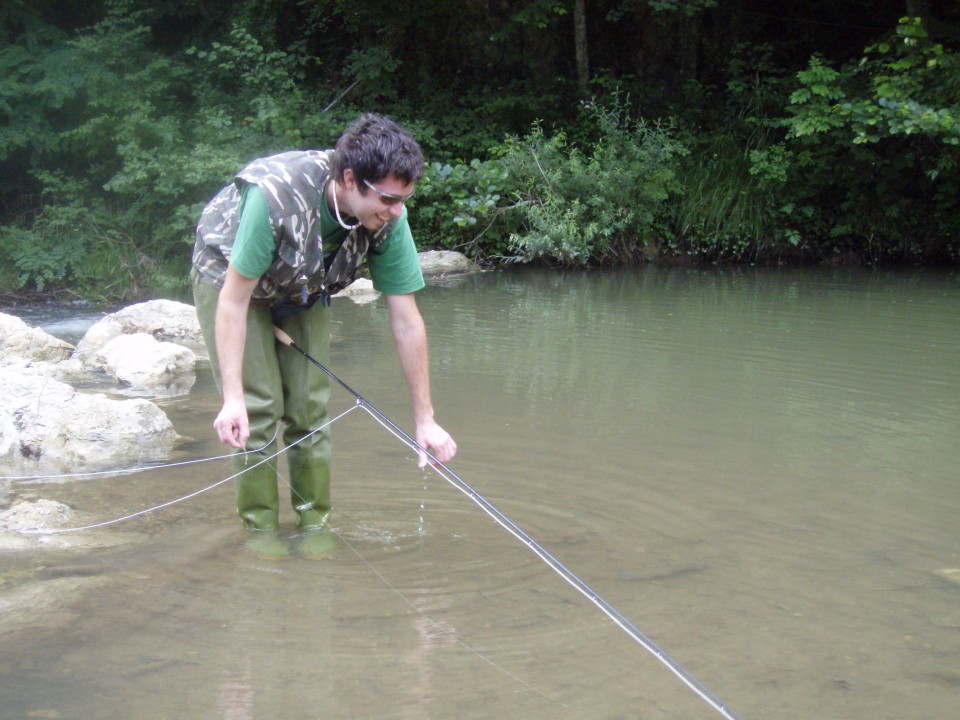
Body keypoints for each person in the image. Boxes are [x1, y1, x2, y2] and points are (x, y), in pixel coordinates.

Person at [191, 113, 457, 557]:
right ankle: (261, 535)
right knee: (258, 407)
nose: (397, 211)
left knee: (310, 406)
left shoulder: (389, 219)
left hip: (302, 285)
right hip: (230, 280)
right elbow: (235, 301)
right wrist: (231, 397)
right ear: (350, 178)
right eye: (389, 199)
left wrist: (424, 419)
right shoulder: (275, 196)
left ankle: (314, 526)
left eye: (404, 199)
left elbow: (407, 320)